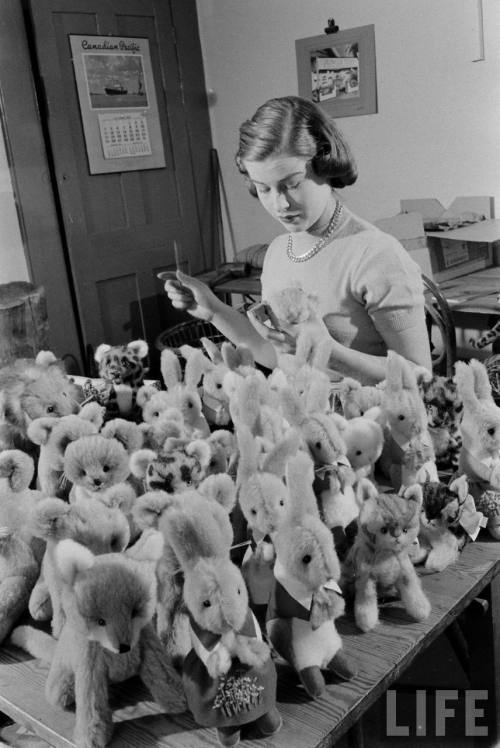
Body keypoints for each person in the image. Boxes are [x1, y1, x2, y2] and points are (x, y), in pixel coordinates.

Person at [163, 95, 432, 384]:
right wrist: (214, 310)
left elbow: (420, 376)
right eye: (263, 189)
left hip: (366, 423)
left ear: (325, 165)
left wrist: (328, 352)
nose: (280, 204)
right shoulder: (279, 251)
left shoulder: (377, 255)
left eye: (292, 184)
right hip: (298, 418)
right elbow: (277, 356)